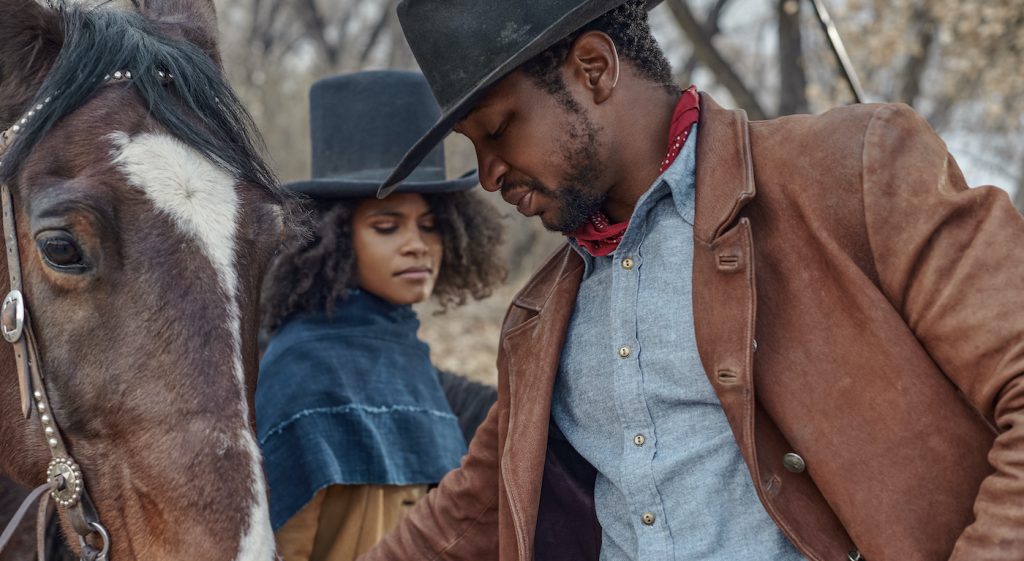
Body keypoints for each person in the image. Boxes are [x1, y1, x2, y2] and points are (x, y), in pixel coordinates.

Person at [360, 1, 1024, 560]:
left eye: (499, 129)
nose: (488, 173)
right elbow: (466, 514)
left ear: (593, 70)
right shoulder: (538, 318)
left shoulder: (854, 169)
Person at [255, 70, 506, 561]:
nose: (417, 245)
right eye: (387, 226)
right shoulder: (303, 363)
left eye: (430, 226)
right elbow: (283, 543)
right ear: (337, 239)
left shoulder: (404, 352)